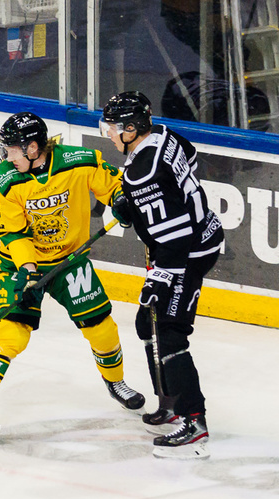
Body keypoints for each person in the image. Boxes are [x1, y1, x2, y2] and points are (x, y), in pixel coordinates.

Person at [0, 111, 145, 443]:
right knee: (14, 334)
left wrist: (122, 201)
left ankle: (115, 382)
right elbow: (13, 235)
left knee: (101, 327)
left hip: (68, 261)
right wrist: (27, 273)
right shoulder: (3, 181)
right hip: (19, 265)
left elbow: (115, 186)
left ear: (33, 147)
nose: (5, 157)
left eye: (12, 150)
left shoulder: (79, 161)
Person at [100, 91, 221, 459]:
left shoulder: (142, 173)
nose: (108, 133)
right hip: (194, 239)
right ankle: (170, 401)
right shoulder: (164, 134)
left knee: (169, 332)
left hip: (188, 253)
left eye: (114, 128)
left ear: (132, 129)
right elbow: (189, 157)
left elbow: (176, 235)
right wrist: (135, 203)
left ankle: (193, 421)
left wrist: (158, 281)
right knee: (147, 324)